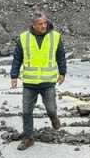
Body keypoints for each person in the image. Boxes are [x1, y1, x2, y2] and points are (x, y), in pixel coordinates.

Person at [10, 10, 67, 150]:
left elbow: (61, 56)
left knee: (51, 109)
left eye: (45, 23)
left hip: (48, 82)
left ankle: (53, 117)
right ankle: (28, 138)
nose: (44, 26)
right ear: (34, 25)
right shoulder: (24, 38)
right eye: (40, 24)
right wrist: (14, 75)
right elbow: (17, 58)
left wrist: (62, 72)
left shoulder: (55, 37)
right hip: (29, 83)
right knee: (26, 111)